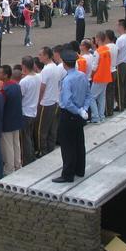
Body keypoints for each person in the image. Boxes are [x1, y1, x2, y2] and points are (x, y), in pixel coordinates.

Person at [52, 49, 91, 183]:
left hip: (69, 114)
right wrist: (83, 109)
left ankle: (68, 174)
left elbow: (67, 102)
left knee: (68, 145)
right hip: (80, 113)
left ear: (64, 64)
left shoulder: (67, 80)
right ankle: (80, 169)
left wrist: (78, 110)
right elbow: (88, 94)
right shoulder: (82, 75)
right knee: (79, 142)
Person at [36, 47, 62, 155]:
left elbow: (42, 88)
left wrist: (38, 101)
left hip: (46, 102)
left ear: (46, 56)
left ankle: (42, 150)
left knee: (42, 129)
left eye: (40, 55)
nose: (39, 57)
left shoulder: (46, 70)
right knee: (52, 127)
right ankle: (50, 148)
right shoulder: (55, 67)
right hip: (55, 101)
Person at [0, 65, 23, 175]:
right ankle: (18, 164)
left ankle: (9, 168)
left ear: (5, 75)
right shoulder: (16, 86)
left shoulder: (4, 90)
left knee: (8, 147)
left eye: (0, 73)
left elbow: (1, 106)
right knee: (16, 144)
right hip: (17, 119)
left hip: (7, 122)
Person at [19, 56, 40, 166]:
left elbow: (20, 97)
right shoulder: (38, 77)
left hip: (25, 112)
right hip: (33, 110)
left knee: (25, 138)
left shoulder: (24, 81)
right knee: (30, 136)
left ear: (23, 66)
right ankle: (31, 156)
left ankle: (27, 160)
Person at [90, 31, 111, 123]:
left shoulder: (97, 52)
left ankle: (96, 117)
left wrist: (91, 75)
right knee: (102, 97)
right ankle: (101, 116)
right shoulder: (107, 49)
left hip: (99, 76)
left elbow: (94, 67)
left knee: (91, 98)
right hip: (106, 76)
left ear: (98, 39)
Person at [115, 20, 126, 112]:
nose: (117, 28)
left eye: (118, 26)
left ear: (121, 26)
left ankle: (120, 104)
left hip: (120, 63)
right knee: (125, 84)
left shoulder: (120, 39)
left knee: (120, 85)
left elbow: (116, 52)